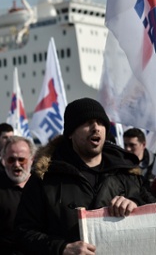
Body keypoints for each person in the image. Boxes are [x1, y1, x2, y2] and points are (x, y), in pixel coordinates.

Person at [15, 98, 156, 254]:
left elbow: (152, 211)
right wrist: (62, 248)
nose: (96, 128)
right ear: (70, 133)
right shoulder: (45, 177)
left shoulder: (127, 172)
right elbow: (23, 232)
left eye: (101, 123)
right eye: (87, 123)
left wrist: (135, 204)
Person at [0, 136, 36, 255]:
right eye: (11, 160)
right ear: (3, 160)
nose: (16, 165)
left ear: (32, 159)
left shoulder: (42, 186)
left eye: (22, 160)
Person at [123, 128, 156, 193]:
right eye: (125, 145)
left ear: (143, 145)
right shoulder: (120, 164)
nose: (128, 149)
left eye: (132, 145)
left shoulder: (154, 163)